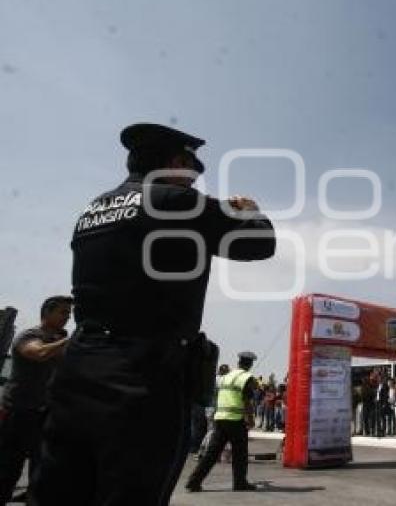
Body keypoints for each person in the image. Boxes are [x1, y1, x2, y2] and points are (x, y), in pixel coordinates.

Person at [31, 123, 276, 506]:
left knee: (59, 493)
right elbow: (260, 243)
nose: (193, 183)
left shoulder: (93, 208)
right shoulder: (177, 202)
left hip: (76, 376)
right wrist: (249, 209)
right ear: (176, 163)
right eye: (191, 173)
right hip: (140, 381)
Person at [0, 296, 72, 503]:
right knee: (7, 468)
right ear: (47, 313)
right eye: (63, 312)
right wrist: (71, 340)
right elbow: (38, 353)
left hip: (43, 415)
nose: (67, 317)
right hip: (18, 412)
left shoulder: (58, 341)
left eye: (69, 313)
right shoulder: (30, 335)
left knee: (42, 471)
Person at [187, 351, 259, 492]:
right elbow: (247, 401)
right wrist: (250, 419)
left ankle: (193, 481)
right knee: (240, 454)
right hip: (236, 420)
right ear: (250, 364)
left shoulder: (225, 377)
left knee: (211, 454)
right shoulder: (246, 378)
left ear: (238, 362)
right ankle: (240, 483)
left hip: (220, 419)